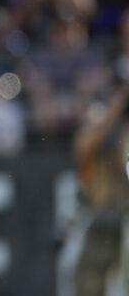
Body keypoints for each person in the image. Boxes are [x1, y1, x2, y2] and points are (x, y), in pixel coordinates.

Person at [71, 78, 129, 295]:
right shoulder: (99, 115)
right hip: (102, 216)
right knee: (88, 283)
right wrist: (114, 114)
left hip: (126, 217)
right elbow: (83, 145)